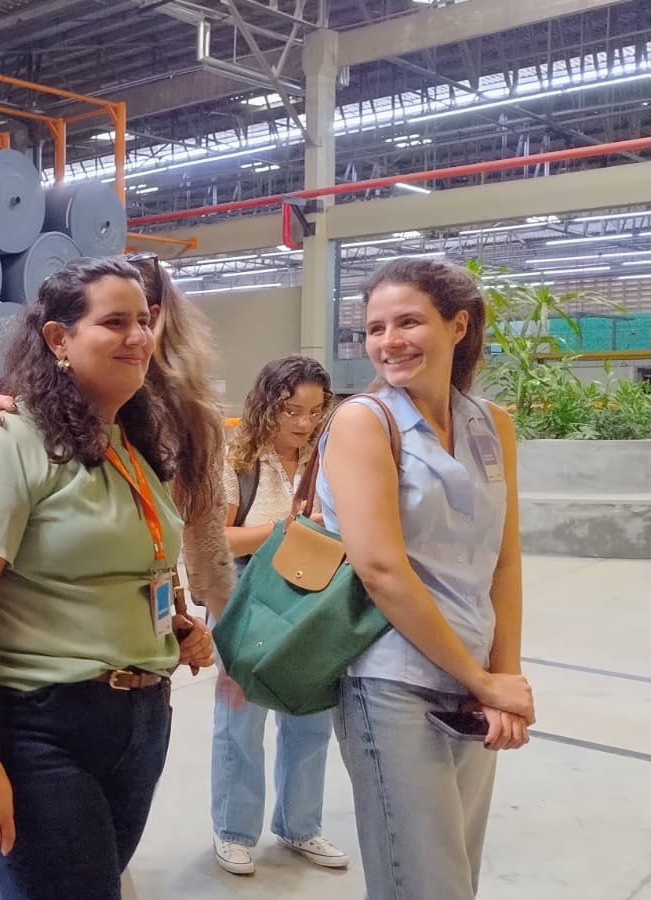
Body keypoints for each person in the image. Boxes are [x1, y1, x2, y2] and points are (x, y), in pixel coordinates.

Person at [0, 257, 217, 900]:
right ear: (58, 339)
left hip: (137, 720)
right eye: (114, 322)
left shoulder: (127, 442)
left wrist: (172, 629)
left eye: (143, 321)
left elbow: (119, 571)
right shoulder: (6, 439)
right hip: (36, 725)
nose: (138, 337)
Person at [318, 258, 533, 900]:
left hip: (473, 680)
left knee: (454, 877)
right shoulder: (363, 422)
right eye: (374, 329)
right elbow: (381, 570)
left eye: (408, 322)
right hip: (393, 682)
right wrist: (482, 681)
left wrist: (502, 680)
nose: (389, 341)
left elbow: (504, 560)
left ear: (457, 326)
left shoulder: (492, 425)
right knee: (422, 884)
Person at [210, 356, 347, 875]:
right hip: (250, 594)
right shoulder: (237, 459)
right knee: (241, 719)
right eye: (292, 410)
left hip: (315, 598)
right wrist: (285, 529)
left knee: (310, 716)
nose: (304, 422)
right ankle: (233, 831)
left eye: (315, 411)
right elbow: (219, 540)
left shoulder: (329, 459)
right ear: (267, 405)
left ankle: (299, 825)